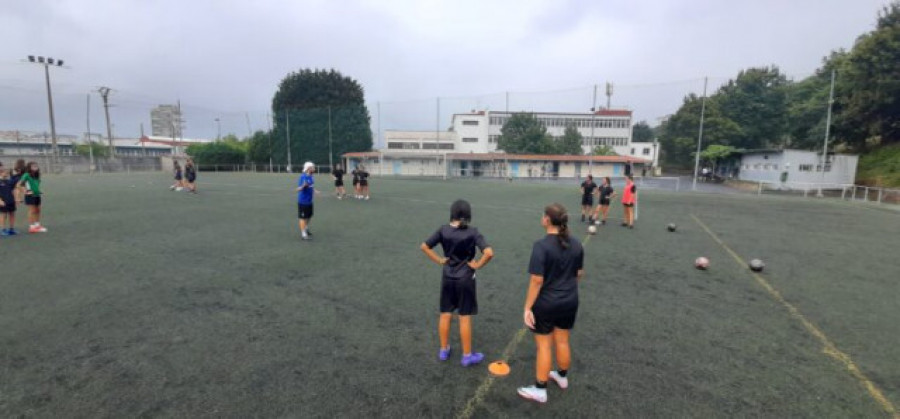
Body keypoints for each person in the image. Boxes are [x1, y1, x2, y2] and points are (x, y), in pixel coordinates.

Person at [518, 203, 584, 404]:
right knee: (562, 340)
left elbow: (537, 280)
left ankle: (540, 389)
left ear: (547, 220)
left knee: (544, 346)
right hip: (570, 301)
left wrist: (527, 307)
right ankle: (562, 376)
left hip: (547, 303)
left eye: (543, 215)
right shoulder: (576, 244)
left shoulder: (541, 246)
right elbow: (578, 274)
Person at [420, 199, 494, 366]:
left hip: (447, 277)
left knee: (445, 314)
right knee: (464, 317)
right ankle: (467, 356)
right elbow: (489, 253)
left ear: (452, 214)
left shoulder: (443, 230)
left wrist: (440, 260)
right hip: (466, 279)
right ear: (468, 215)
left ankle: (444, 350)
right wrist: (477, 265)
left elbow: (424, 246)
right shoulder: (473, 232)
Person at [18, 161, 46, 233]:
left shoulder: (37, 175)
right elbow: (19, 185)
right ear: (29, 167)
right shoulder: (26, 175)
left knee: (38, 210)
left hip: (37, 195)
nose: (35, 167)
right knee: (32, 211)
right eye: (33, 166)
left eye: (36, 166)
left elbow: (36, 185)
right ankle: (32, 227)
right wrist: (26, 192)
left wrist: (38, 191)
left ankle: (37, 225)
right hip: (30, 196)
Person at [296, 161, 320, 241]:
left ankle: (305, 228)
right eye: (313, 167)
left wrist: (314, 191)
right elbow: (298, 189)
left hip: (309, 201)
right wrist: (303, 186)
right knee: (303, 217)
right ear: (308, 168)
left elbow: (311, 186)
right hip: (303, 201)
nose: (314, 169)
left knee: (309, 216)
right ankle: (303, 234)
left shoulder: (311, 177)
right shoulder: (303, 177)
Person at [0, 166, 19, 236]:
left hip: (11, 200)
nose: (7, 173)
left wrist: (16, 199)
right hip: (3, 201)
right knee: (3, 215)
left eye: (7, 172)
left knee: (12, 214)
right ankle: (3, 229)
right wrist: (0, 200)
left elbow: (14, 190)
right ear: (1, 173)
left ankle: (11, 229)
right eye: (5, 172)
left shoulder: (10, 181)